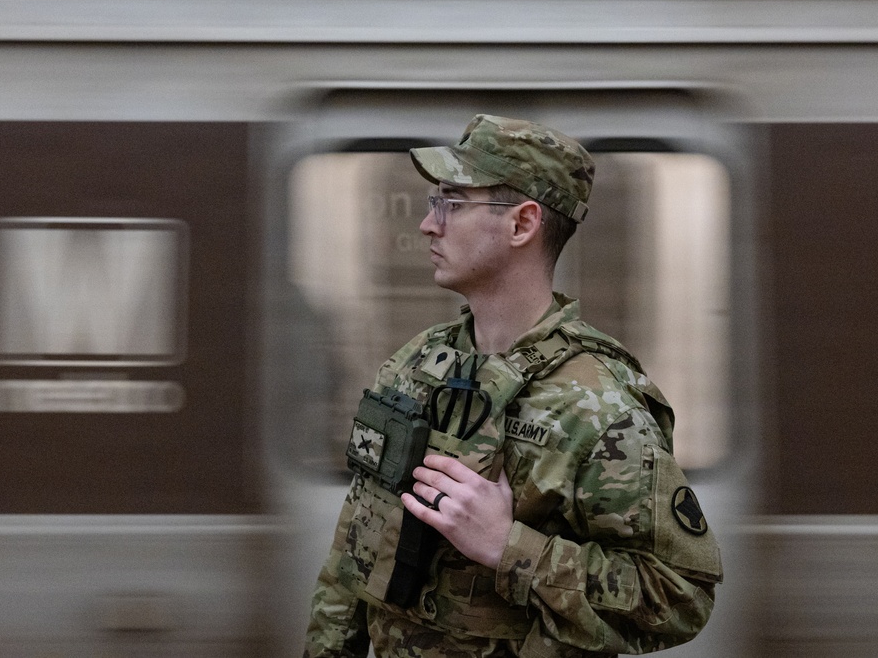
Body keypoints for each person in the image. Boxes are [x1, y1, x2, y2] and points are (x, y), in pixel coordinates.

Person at [304, 114, 722, 658]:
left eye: (452, 203)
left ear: (522, 225)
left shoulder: (597, 405)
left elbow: (679, 596)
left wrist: (509, 547)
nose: (430, 225)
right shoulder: (416, 364)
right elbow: (352, 554)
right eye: (434, 203)